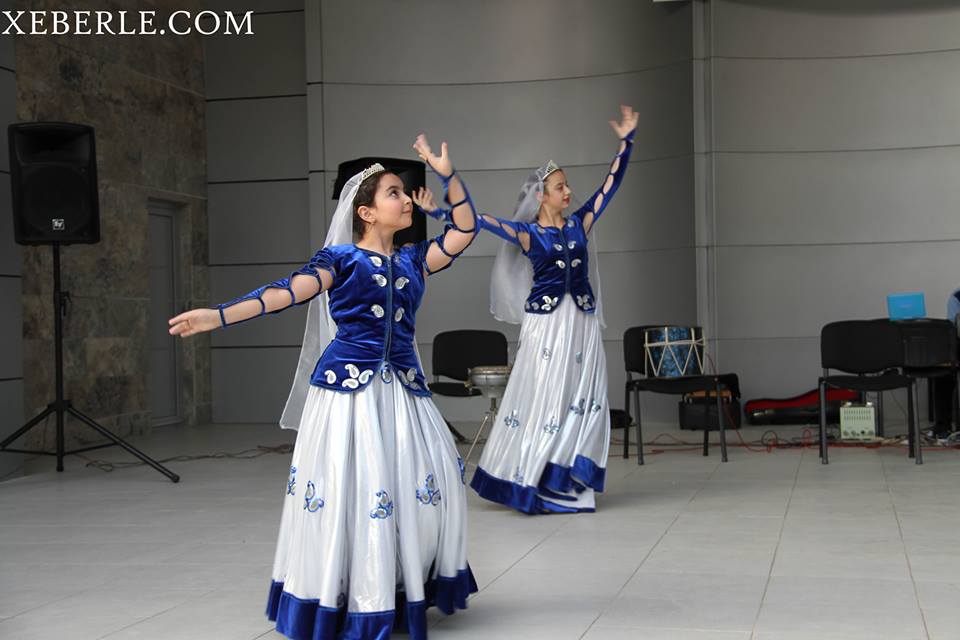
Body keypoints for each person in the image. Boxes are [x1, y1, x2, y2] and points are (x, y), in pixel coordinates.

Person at [169, 135, 479, 640]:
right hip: (348, 396)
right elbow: (283, 294)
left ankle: (397, 587)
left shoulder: (414, 259)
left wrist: (448, 174)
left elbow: (466, 228)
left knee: (424, 486)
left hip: (402, 391)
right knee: (353, 491)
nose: (405, 200)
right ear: (366, 212)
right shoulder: (340, 260)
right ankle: (353, 599)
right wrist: (218, 316)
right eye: (394, 193)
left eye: (404, 192)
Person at [413, 106, 638, 514]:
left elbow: (610, 186)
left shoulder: (581, 223)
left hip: (582, 323)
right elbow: (477, 221)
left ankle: (570, 481)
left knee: (582, 397)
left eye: (567, 185)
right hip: (546, 326)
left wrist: (626, 143)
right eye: (559, 187)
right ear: (541, 195)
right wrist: (439, 212)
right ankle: (533, 479)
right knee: (544, 398)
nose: (568, 192)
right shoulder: (527, 233)